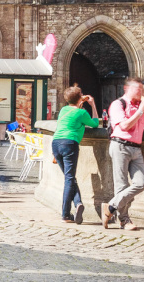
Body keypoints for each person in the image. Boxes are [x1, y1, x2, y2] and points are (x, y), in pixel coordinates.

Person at [103, 77, 144, 230]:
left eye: (142, 89)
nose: (141, 92)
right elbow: (125, 126)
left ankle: (111, 206)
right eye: (138, 89)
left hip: (136, 148)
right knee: (121, 184)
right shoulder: (118, 104)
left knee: (141, 183)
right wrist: (140, 111)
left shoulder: (141, 106)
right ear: (127, 89)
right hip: (120, 146)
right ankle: (124, 220)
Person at [52, 86, 99, 224]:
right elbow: (95, 123)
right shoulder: (82, 113)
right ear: (79, 98)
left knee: (69, 178)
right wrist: (93, 104)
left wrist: (80, 101)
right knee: (69, 178)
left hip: (56, 143)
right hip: (69, 144)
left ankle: (78, 203)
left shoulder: (63, 110)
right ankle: (65, 214)